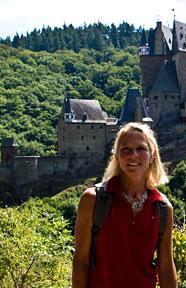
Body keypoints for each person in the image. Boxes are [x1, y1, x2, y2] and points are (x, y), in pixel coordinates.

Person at [72, 122, 177, 288]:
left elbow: (165, 268)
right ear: (116, 157)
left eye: (140, 149)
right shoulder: (93, 200)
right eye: (125, 150)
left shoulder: (162, 208)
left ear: (152, 155)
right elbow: (80, 262)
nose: (133, 155)